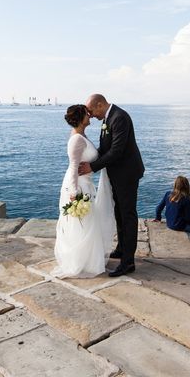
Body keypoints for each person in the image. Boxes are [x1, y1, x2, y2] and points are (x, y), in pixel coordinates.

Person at [79, 94, 144, 277]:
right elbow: (106, 148)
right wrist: (92, 160)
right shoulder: (109, 117)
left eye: (91, 111)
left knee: (128, 215)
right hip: (117, 174)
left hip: (127, 174)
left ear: (100, 104)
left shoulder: (119, 117)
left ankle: (128, 262)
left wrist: (92, 166)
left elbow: (117, 151)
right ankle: (122, 248)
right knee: (119, 213)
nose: (90, 115)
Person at [53, 105, 116, 278]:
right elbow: (74, 167)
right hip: (78, 185)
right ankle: (80, 261)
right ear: (81, 118)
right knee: (82, 224)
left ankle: (89, 259)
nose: (90, 116)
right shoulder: (76, 140)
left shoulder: (82, 136)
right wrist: (74, 193)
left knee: (88, 223)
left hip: (85, 183)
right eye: (87, 114)